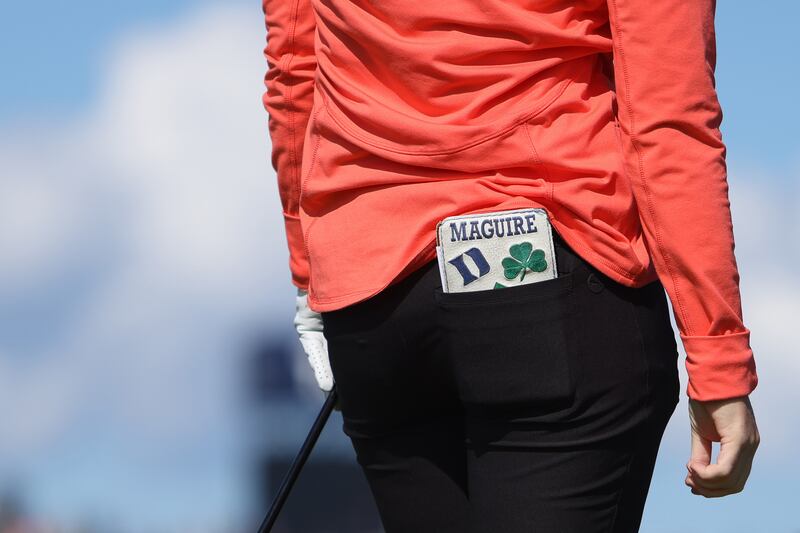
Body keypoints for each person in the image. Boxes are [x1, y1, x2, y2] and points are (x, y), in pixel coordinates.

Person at [262, 0, 760, 530]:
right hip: (561, 273)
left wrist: (311, 277)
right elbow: (669, 120)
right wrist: (717, 356)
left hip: (371, 295)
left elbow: (294, 68)